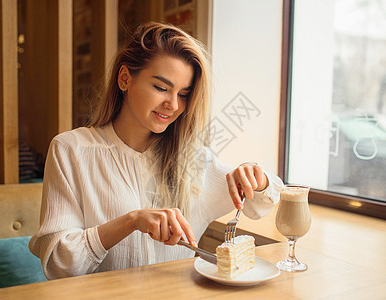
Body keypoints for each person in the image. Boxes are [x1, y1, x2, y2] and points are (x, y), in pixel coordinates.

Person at [29, 21, 283, 279]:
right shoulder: (71, 150)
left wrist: (258, 179)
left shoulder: (192, 160)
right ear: (125, 79)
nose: (172, 105)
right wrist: (131, 221)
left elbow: (264, 201)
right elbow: (57, 264)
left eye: (183, 94)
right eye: (161, 88)